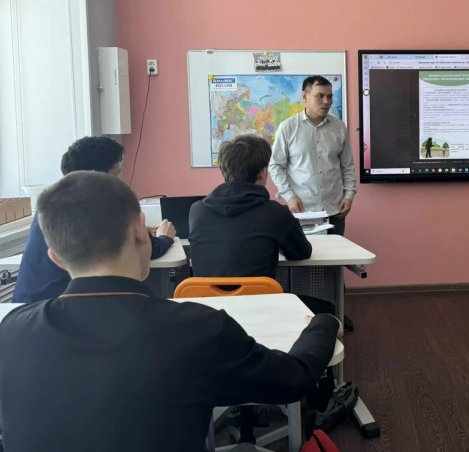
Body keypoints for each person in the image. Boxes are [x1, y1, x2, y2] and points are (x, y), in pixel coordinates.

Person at [0, 171, 340, 452]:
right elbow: (293, 380)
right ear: (140, 231)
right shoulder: (198, 328)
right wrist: (324, 322)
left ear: (56, 257)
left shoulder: (10, 331)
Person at [12, 136, 176, 303]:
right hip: (65, 310)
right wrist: (164, 237)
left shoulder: (50, 206)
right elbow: (149, 248)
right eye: (116, 173)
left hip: (25, 307)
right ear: (100, 177)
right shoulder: (101, 203)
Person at [189, 134, 312, 278]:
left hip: (203, 293)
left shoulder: (197, 211)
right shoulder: (276, 213)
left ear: (223, 171)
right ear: (263, 172)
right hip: (260, 293)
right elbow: (302, 252)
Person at [269, 76, 356, 236]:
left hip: (335, 210)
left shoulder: (339, 127)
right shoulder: (288, 127)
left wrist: (349, 195)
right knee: (305, 252)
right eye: (320, 96)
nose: (326, 101)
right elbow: (275, 165)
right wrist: (289, 196)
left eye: (329, 96)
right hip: (302, 210)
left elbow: (347, 166)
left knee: (335, 252)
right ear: (305, 96)